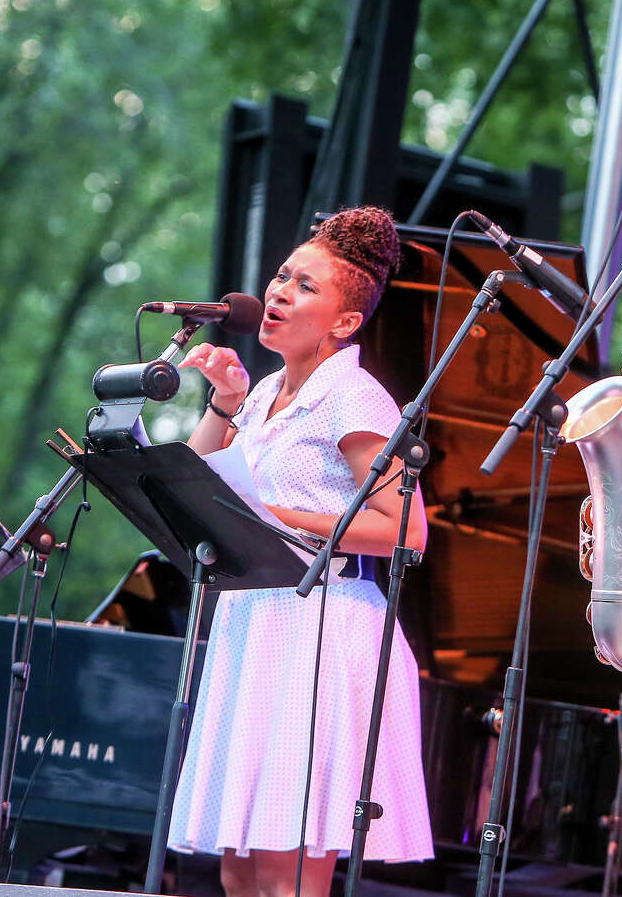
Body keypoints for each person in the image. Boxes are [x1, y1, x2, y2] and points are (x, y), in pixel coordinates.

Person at [167, 206, 433, 897]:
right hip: (257, 622)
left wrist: (274, 515)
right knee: (239, 870)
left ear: (345, 322)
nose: (280, 291)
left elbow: (408, 529)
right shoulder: (263, 394)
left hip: (319, 628)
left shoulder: (354, 397)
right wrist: (224, 400)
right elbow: (201, 483)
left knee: (290, 871)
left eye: (304, 286)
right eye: (282, 275)